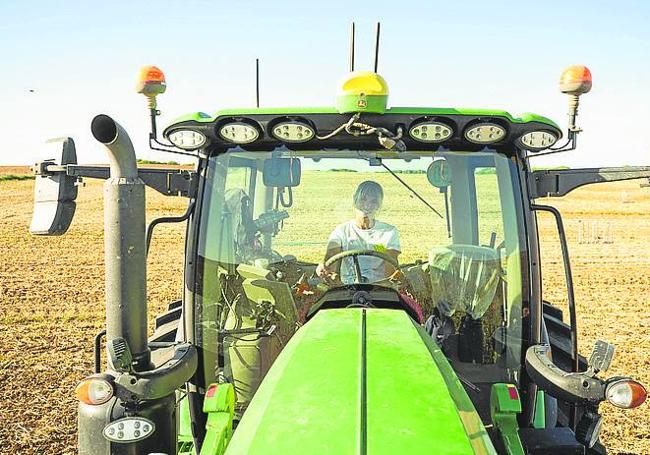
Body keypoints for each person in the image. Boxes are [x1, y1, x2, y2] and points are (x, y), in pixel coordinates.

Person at [316, 181, 400, 284]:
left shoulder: (389, 232)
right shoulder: (341, 231)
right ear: (355, 200)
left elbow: (390, 268)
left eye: (373, 201)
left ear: (378, 206)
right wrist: (325, 267)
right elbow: (332, 255)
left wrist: (383, 287)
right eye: (363, 199)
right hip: (347, 288)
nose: (367, 205)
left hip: (378, 289)